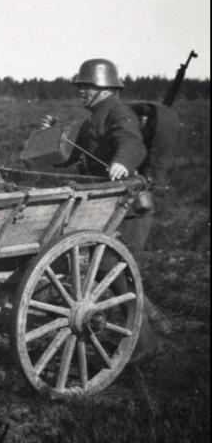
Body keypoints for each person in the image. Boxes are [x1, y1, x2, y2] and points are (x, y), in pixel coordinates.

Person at [42, 58, 172, 358]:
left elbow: (133, 144)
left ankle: (144, 344)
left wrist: (121, 162)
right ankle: (151, 326)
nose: (81, 93)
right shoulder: (94, 118)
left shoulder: (119, 113)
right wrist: (50, 133)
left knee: (112, 270)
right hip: (105, 205)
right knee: (112, 271)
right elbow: (71, 157)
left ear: (103, 87)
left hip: (129, 211)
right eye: (80, 87)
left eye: (85, 87)